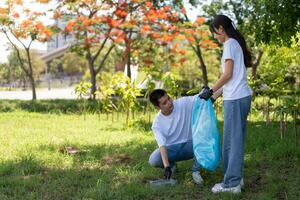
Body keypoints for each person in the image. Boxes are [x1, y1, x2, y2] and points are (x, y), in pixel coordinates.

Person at [199, 14, 252, 193]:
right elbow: (233, 79)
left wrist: (210, 90)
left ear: (221, 28)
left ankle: (232, 183)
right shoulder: (235, 44)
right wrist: (214, 97)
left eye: (215, 33)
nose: (215, 37)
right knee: (235, 140)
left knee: (232, 142)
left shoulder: (229, 44)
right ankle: (237, 178)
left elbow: (227, 75)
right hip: (239, 97)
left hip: (236, 100)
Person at [148, 89, 220, 184]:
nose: (169, 103)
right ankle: (172, 166)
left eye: (169, 98)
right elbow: (162, 146)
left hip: (191, 146)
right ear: (158, 107)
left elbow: (203, 97)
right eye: (165, 103)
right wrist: (167, 166)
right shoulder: (157, 124)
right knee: (154, 159)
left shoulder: (183, 103)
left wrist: (222, 88)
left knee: (206, 140)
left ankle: (196, 171)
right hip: (173, 149)